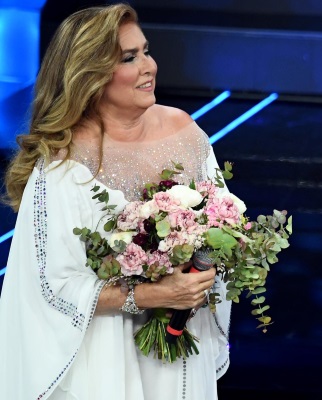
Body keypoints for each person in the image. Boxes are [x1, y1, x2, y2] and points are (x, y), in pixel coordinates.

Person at [0, 4, 230, 399]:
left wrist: (204, 269)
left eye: (145, 51)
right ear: (90, 76)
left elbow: (222, 225)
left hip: (178, 350)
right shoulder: (63, 163)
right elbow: (51, 288)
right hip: (102, 359)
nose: (148, 66)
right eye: (129, 58)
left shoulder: (184, 130)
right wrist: (150, 294)